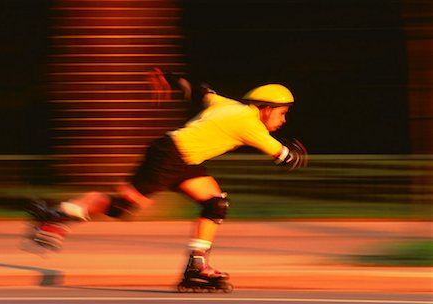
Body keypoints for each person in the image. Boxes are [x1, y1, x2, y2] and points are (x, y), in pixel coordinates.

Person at [26, 68, 307, 292]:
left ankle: (196, 267)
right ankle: (54, 214)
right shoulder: (249, 122)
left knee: (215, 203)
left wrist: (172, 79)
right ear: (266, 108)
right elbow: (284, 157)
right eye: (282, 113)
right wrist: (295, 153)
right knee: (120, 208)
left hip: (183, 158)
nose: (283, 120)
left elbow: (200, 89)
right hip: (169, 156)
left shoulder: (229, 105)